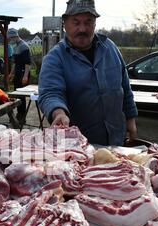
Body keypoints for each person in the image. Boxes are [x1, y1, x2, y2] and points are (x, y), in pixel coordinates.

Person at [38, 0, 138, 146]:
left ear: (95, 23)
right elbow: (50, 93)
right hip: (79, 145)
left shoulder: (110, 48)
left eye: (88, 22)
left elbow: (125, 87)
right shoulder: (54, 58)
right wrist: (58, 113)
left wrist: (130, 119)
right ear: (65, 24)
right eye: (76, 22)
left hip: (116, 139)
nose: (82, 29)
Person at [7, 28, 32, 123]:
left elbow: (27, 63)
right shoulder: (16, 47)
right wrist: (11, 74)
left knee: (21, 96)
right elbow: (15, 63)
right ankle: (19, 113)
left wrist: (25, 76)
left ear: (14, 36)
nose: (10, 40)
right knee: (17, 95)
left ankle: (22, 117)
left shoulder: (24, 46)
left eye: (11, 38)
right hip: (17, 72)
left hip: (23, 73)